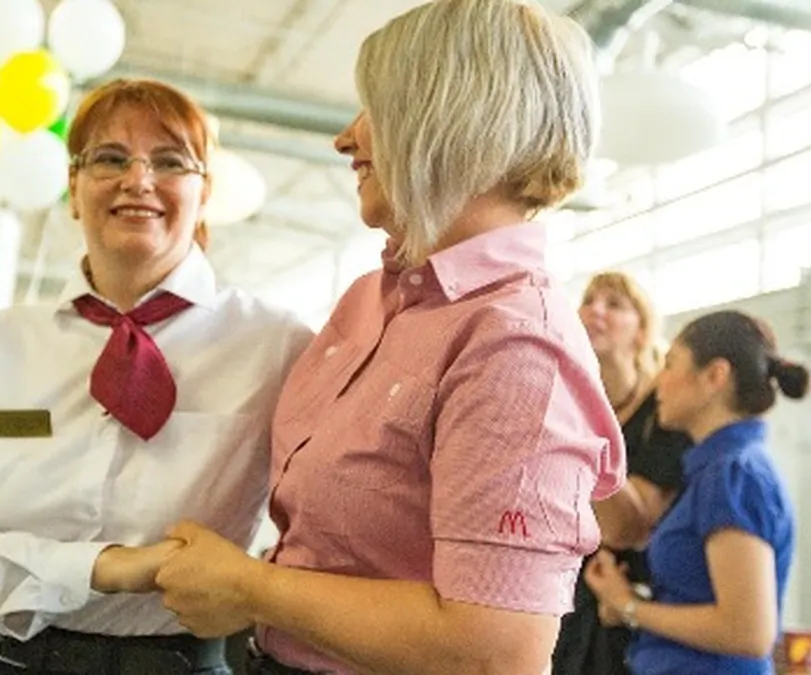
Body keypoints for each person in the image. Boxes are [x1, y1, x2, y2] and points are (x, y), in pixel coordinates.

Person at [150, 1, 626, 674]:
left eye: (374, 108)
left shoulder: (517, 345)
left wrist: (252, 588)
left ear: (451, 117)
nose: (345, 138)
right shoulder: (374, 300)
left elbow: (497, 651)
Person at [0, 78, 313, 675]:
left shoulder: (277, 346)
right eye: (109, 158)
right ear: (73, 188)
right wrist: (110, 566)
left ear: (205, 194)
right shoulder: (4, 343)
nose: (138, 180)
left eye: (170, 161)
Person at [584, 309, 807, 674]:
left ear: (715, 376)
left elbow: (748, 631)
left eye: (670, 364)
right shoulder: (710, 473)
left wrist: (630, 607)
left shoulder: (734, 474)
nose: (659, 381)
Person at [551, 272, 693, 675]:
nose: (595, 310)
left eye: (614, 304)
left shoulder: (664, 412)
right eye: (589, 299)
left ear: (642, 329)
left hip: (632, 612)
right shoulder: (572, 401)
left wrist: (581, 418)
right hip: (570, 598)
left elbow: (626, 527)